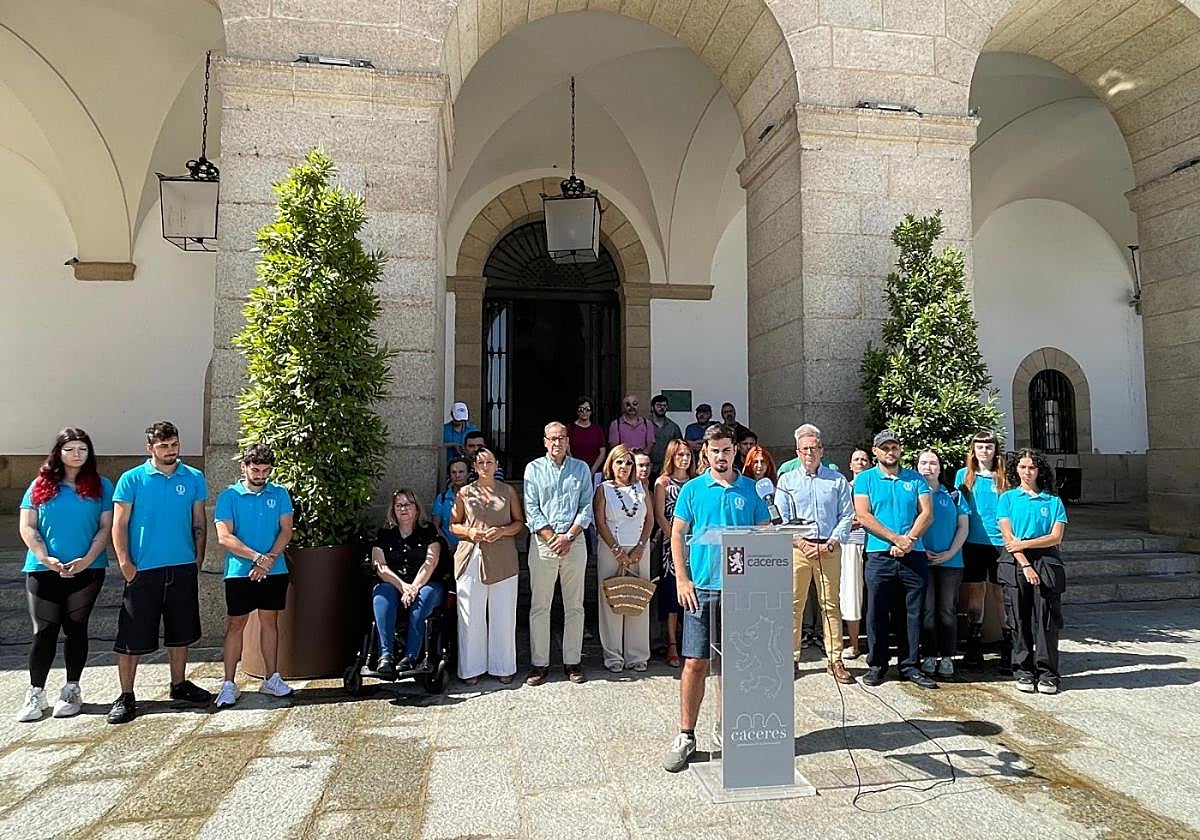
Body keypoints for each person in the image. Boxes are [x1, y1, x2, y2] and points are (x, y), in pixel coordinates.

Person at [662, 424, 770, 773]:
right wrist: (682, 578)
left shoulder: (751, 490)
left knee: (735, 665)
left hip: (740, 589)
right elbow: (678, 534)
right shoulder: (693, 489)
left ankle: (727, 730)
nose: (721, 456)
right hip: (702, 587)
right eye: (714, 451)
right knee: (695, 662)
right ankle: (686, 734)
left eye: (726, 450)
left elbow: (765, 536)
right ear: (704, 453)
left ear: (735, 450)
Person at [108, 421, 211, 724]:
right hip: (143, 570)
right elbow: (119, 523)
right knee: (131, 636)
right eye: (164, 446)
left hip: (181, 566)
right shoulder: (132, 479)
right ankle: (126, 695)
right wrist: (125, 563)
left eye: (174, 445)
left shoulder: (193, 477)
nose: (170, 451)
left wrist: (199, 556)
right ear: (150, 447)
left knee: (181, 632)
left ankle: (178, 684)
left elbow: (199, 519)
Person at [15, 428, 113, 722]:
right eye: (70, 449)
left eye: (82, 449)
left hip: (87, 569)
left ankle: (72, 688)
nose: (77, 455)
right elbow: (27, 526)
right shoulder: (39, 485)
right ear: (58, 452)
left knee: (75, 626)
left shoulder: (102, 486)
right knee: (44, 630)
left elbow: (105, 527)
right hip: (43, 568)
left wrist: (87, 559)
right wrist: (44, 556)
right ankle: (36, 691)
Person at [853, 429, 936, 689]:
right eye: (884, 448)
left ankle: (910, 664)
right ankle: (877, 664)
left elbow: (926, 514)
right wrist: (894, 538)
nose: (890, 452)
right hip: (879, 554)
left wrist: (908, 540)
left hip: (913, 553)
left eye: (894, 447)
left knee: (911, 612)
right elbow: (864, 515)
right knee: (877, 610)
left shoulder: (915, 479)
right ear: (875, 451)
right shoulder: (865, 479)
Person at [212, 444, 295, 708]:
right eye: (256, 469)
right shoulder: (229, 496)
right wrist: (256, 558)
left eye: (265, 470)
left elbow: (286, 530)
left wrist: (267, 560)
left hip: (274, 569)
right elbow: (224, 536)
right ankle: (228, 683)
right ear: (244, 467)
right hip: (240, 571)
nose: (260, 475)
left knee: (269, 621)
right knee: (236, 624)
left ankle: (271, 677)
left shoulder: (280, 493)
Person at [776, 425, 855, 684]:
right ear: (798, 452)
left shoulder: (837, 480)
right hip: (798, 549)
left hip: (829, 549)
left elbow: (847, 515)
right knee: (792, 606)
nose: (810, 452)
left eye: (814, 448)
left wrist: (830, 543)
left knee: (830, 605)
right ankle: (791, 658)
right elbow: (781, 518)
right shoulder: (787, 481)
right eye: (805, 449)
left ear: (822, 450)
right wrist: (800, 541)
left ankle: (835, 660)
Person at [523, 421, 594, 686]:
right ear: (544, 441)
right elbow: (531, 508)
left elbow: (586, 506)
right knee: (540, 606)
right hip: (543, 544)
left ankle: (572, 661)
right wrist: (552, 537)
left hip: (574, 542)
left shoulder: (581, 468)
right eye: (552, 438)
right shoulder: (533, 469)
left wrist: (569, 536)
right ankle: (539, 664)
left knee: (574, 605)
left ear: (568, 440)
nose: (557, 443)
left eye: (561, 437)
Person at [997, 449, 1068, 694]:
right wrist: (1025, 563)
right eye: (1023, 467)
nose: (1027, 472)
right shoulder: (1007, 499)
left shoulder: (1052, 501)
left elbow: (1055, 536)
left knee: (1046, 619)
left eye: (1032, 468)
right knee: (1019, 618)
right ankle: (1023, 670)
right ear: (1016, 470)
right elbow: (1008, 536)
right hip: (1016, 561)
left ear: (1039, 471)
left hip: (1046, 561)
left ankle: (1048, 673)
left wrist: (1025, 545)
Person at [450, 446, 523, 685]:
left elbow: (519, 523)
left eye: (489, 462)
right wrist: (470, 531)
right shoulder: (465, 493)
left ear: (496, 465)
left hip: (502, 557)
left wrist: (501, 531)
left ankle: (503, 665)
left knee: (503, 614)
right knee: (471, 614)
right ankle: (471, 668)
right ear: (474, 467)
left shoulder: (507, 492)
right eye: (480, 463)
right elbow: (454, 525)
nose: (484, 466)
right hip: (471, 556)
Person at [370, 489, 445, 677]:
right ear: (393, 509)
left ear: (417, 508)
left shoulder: (428, 531)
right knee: (382, 594)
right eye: (399, 505)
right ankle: (385, 656)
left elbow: (431, 563)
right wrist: (403, 586)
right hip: (395, 584)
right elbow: (380, 566)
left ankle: (411, 656)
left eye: (408, 504)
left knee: (423, 598)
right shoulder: (385, 533)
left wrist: (413, 588)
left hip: (426, 583)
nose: (403, 509)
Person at [594, 445, 655, 673]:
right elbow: (600, 522)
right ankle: (613, 655)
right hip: (612, 550)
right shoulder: (604, 489)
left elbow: (649, 520)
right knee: (612, 601)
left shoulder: (641, 487)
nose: (624, 467)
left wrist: (640, 546)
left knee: (638, 600)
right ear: (611, 464)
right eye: (619, 462)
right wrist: (617, 550)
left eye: (628, 463)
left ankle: (637, 655)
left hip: (639, 549)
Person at [954, 431, 1011, 670]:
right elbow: (959, 508)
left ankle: (1008, 646)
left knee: (1001, 595)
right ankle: (973, 645)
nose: (984, 451)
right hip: (974, 542)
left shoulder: (1004, 476)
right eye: (980, 447)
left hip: (1000, 543)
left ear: (995, 450)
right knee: (975, 594)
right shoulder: (964, 476)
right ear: (973, 450)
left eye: (989, 447)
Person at [916, 450, 969, 680]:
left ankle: (947, 656)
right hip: (921, 559)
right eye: (924, 463)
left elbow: (963, 526)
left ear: (940, 467)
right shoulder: (912, 493)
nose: (928, 467)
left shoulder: (954, 494)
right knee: (926, 611)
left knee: (947, 610)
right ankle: (928, 654)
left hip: (951, 562)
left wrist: (950, 553)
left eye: (933, 463)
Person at [653, 439, 693, 668]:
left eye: (687, 454)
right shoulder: (663, 483)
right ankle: (671, 645)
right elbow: (659, 514)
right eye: (680, 455)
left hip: (695, 543)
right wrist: (675, 539)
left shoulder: (696, 481)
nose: (684, 459)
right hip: (671, 546)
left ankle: (689, 641)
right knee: (671, 595)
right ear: (671, 457)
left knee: (692, 592)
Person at [841, 449, 872, 659]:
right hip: (851, 544)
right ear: (850, 465)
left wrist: (861, 519)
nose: (860, 462)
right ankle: (853, 644)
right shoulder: (844, 488)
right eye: (856, 460)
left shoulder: (874, 487)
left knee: (873, 594)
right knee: (852, 593)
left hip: (875, 544)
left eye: (864, 459)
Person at [432, 457, 469, 551]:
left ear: (468, 474)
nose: (457, 475)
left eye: (461, 472)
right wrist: (448, 545)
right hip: (447, 549)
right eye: (454, 472)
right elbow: (436, 526)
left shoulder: (476, 498)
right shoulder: (442, 498)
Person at [567, 395, 607, 478]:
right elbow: (567, 451)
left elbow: (602, 452)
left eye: (587, 409)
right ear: (577, 411)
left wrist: (591, 471)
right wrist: (577, 469)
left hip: (594, 472)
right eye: (581, 409)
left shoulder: (597, 429)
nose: (584, 412)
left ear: (591, 411)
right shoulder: (570, 429)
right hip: (574, 472)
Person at [648, 394, 683, 474]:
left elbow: (679, 446)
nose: (662, 408)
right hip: (648, 468)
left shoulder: (673, 427)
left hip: (667, 468)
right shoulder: (644, 425)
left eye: (664, 405)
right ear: (652, 407)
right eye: (659, 405)